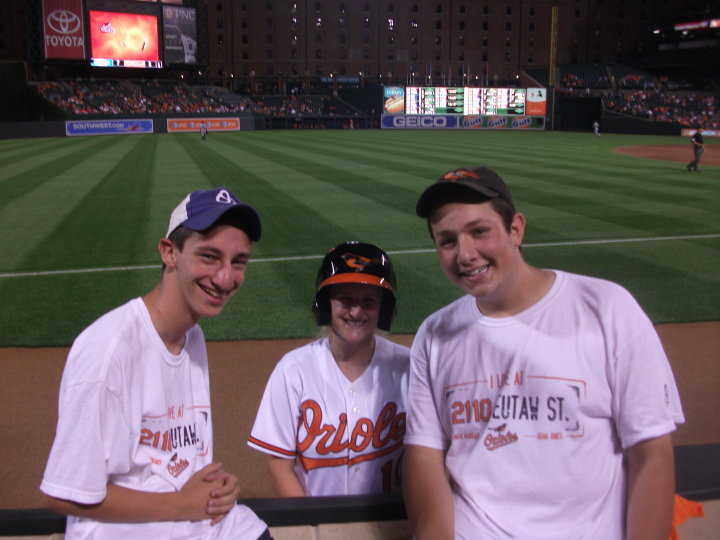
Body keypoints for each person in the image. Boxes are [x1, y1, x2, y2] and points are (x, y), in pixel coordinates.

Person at [403, 167, 685, 539]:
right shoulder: (435, 334)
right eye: (447, 241)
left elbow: (651, 451)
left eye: (479, 231)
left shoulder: (607, 308)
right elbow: (424, 454)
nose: (465, 254)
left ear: (515, 229)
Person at [41, 188, 271, 539]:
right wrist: (182, 504)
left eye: (238, 261)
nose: (226, 278)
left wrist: (215, 488)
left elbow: (170, 458)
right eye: (209, 257)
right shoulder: (109, 350)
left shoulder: (192, 336)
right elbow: (62, 495)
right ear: (169, 253)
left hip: (190, 522)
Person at [248, 241, 410, 497]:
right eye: (345, 299)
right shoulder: (293, 370)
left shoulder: (409, 368)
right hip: (317, 517)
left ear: (384, 309)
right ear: (325, 305)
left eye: (369, 301)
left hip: (392, 518)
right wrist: (311, 520)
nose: (356, 312)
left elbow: (431, 455)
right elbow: (279, 466)